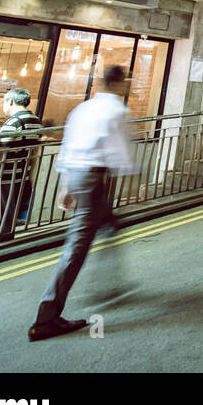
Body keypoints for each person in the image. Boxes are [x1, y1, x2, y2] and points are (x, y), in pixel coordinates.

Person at [29, 65, 138, 342]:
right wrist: (131, 187)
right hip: (94, 179)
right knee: (77, 245)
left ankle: (109, 285)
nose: (127, 86)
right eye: (126, 82)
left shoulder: (83, 109)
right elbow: (120, 156)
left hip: (79, 176)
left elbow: (68, 148)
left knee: (109, 226)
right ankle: (46, 317)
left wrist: (66, 186)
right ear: (119, 83)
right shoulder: (116, 111)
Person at [0, 88, 42, 247]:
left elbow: (1, 153)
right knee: (7, 215)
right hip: (21, 175)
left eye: (4, 102)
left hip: (6, 176)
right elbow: (35, 151)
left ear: (11, 101)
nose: (3, 106)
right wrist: (31, 177)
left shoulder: (13, 122)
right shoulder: (35, 120)